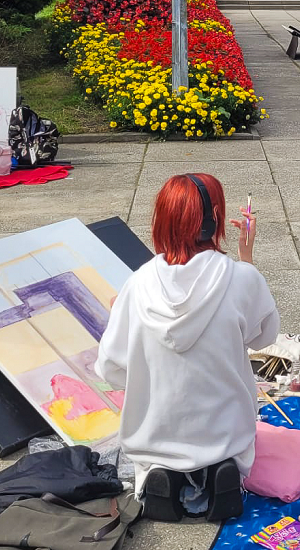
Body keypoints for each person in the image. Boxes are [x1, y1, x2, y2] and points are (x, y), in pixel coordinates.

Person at [96, 173, 278, 523]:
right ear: (215, 220)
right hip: (225, 432)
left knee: (149, 440)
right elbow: (265, 336)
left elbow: (110, 369)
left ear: (161, 221)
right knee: (234, 432)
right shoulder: (240, 278)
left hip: (152, 434)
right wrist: (247, 258)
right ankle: (225, 471)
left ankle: (156, 475)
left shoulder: (136, 285)